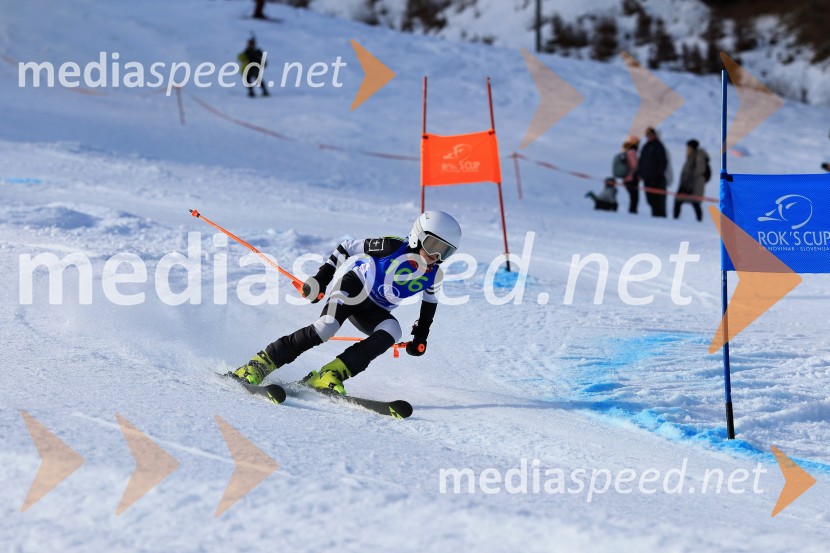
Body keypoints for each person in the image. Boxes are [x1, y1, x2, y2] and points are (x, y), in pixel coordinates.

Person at [229, 211, 462, 395]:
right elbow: (347, 247)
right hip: (353, 288)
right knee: (326, 327)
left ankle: (331, 374)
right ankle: (259, 364)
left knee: (393, 329)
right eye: (434, 246)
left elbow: (429, 304)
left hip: (377, 309)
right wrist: (322, 279)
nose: (437, 257)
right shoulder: (393, 247)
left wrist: (420, 336)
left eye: (446, 252)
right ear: (418, 236)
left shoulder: (434, 274)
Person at [673, 139, 710, 222]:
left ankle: (698, 222)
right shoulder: (692, 157)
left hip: (694, 186)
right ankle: (698, 221)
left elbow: (698, 172)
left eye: (688, 148)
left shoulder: (698, 157)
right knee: (693, 203)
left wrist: (689, 186)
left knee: (692, 202)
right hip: (690, 185)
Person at [638, 127, 668, 217]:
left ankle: (660, 218)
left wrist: (659, 175)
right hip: (647, 178)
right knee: (650, 200)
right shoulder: (645, 147)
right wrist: (640, 173)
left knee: (658, 201)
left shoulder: (658, 146)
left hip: (657, 179)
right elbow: (641, 161)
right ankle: (655, 216)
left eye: (650, 135)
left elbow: (663, 161)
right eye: (647, 135)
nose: (649, 137)